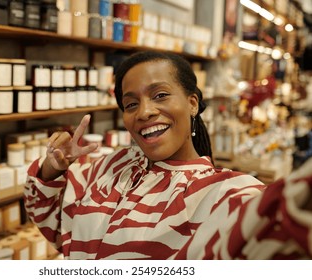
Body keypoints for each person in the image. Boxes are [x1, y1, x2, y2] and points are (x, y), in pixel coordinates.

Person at [24, 51, 312, 260]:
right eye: (131, 103)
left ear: (192, 103)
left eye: (160, 95)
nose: (145, 111)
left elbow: (267, 225)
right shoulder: (107, 167)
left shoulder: (220, 192)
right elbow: (57, 227)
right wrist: (52, 169)